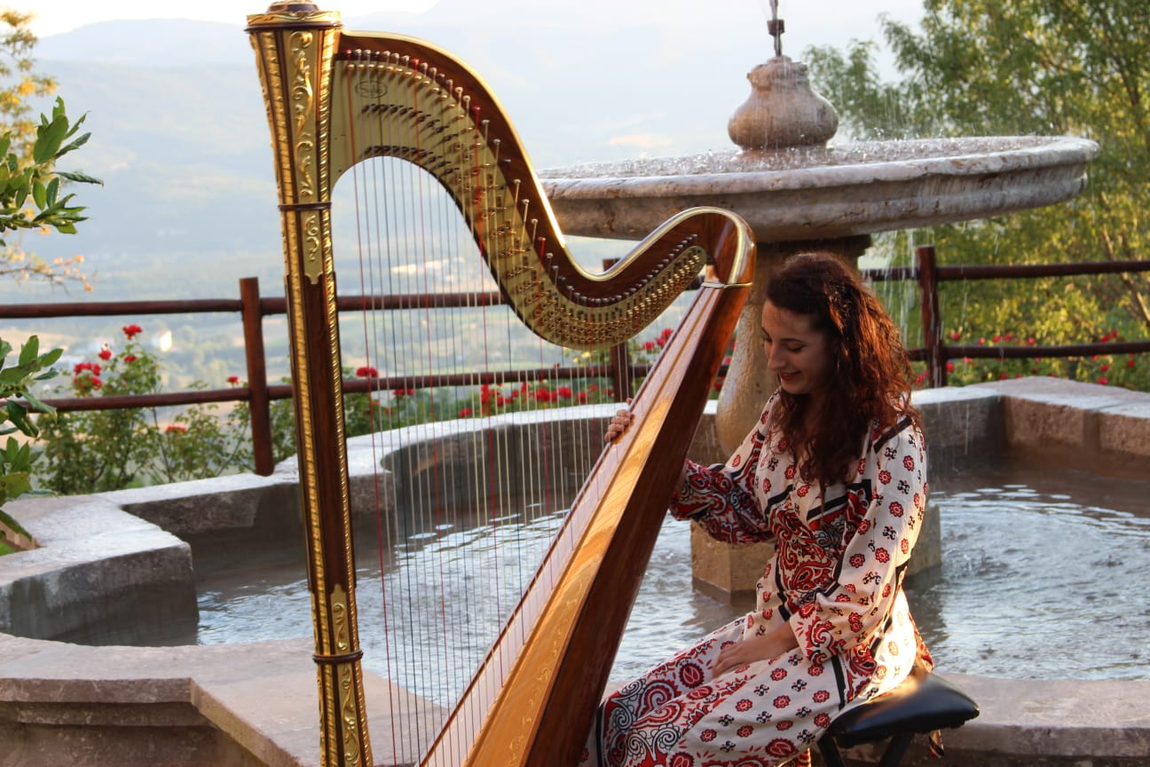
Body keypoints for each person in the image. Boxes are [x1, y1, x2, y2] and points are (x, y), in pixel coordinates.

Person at [586, 251, 933, 767]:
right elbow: (740, 504)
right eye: (769, 341)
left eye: (793, 346)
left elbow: (868, 589)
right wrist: (652, 459)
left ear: (841, 345)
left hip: (852, 649)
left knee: (660, 743)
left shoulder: (894, 442)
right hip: (776, 622)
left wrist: (774, 643)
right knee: (614, 720)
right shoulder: (784, 413)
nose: (773, 360)